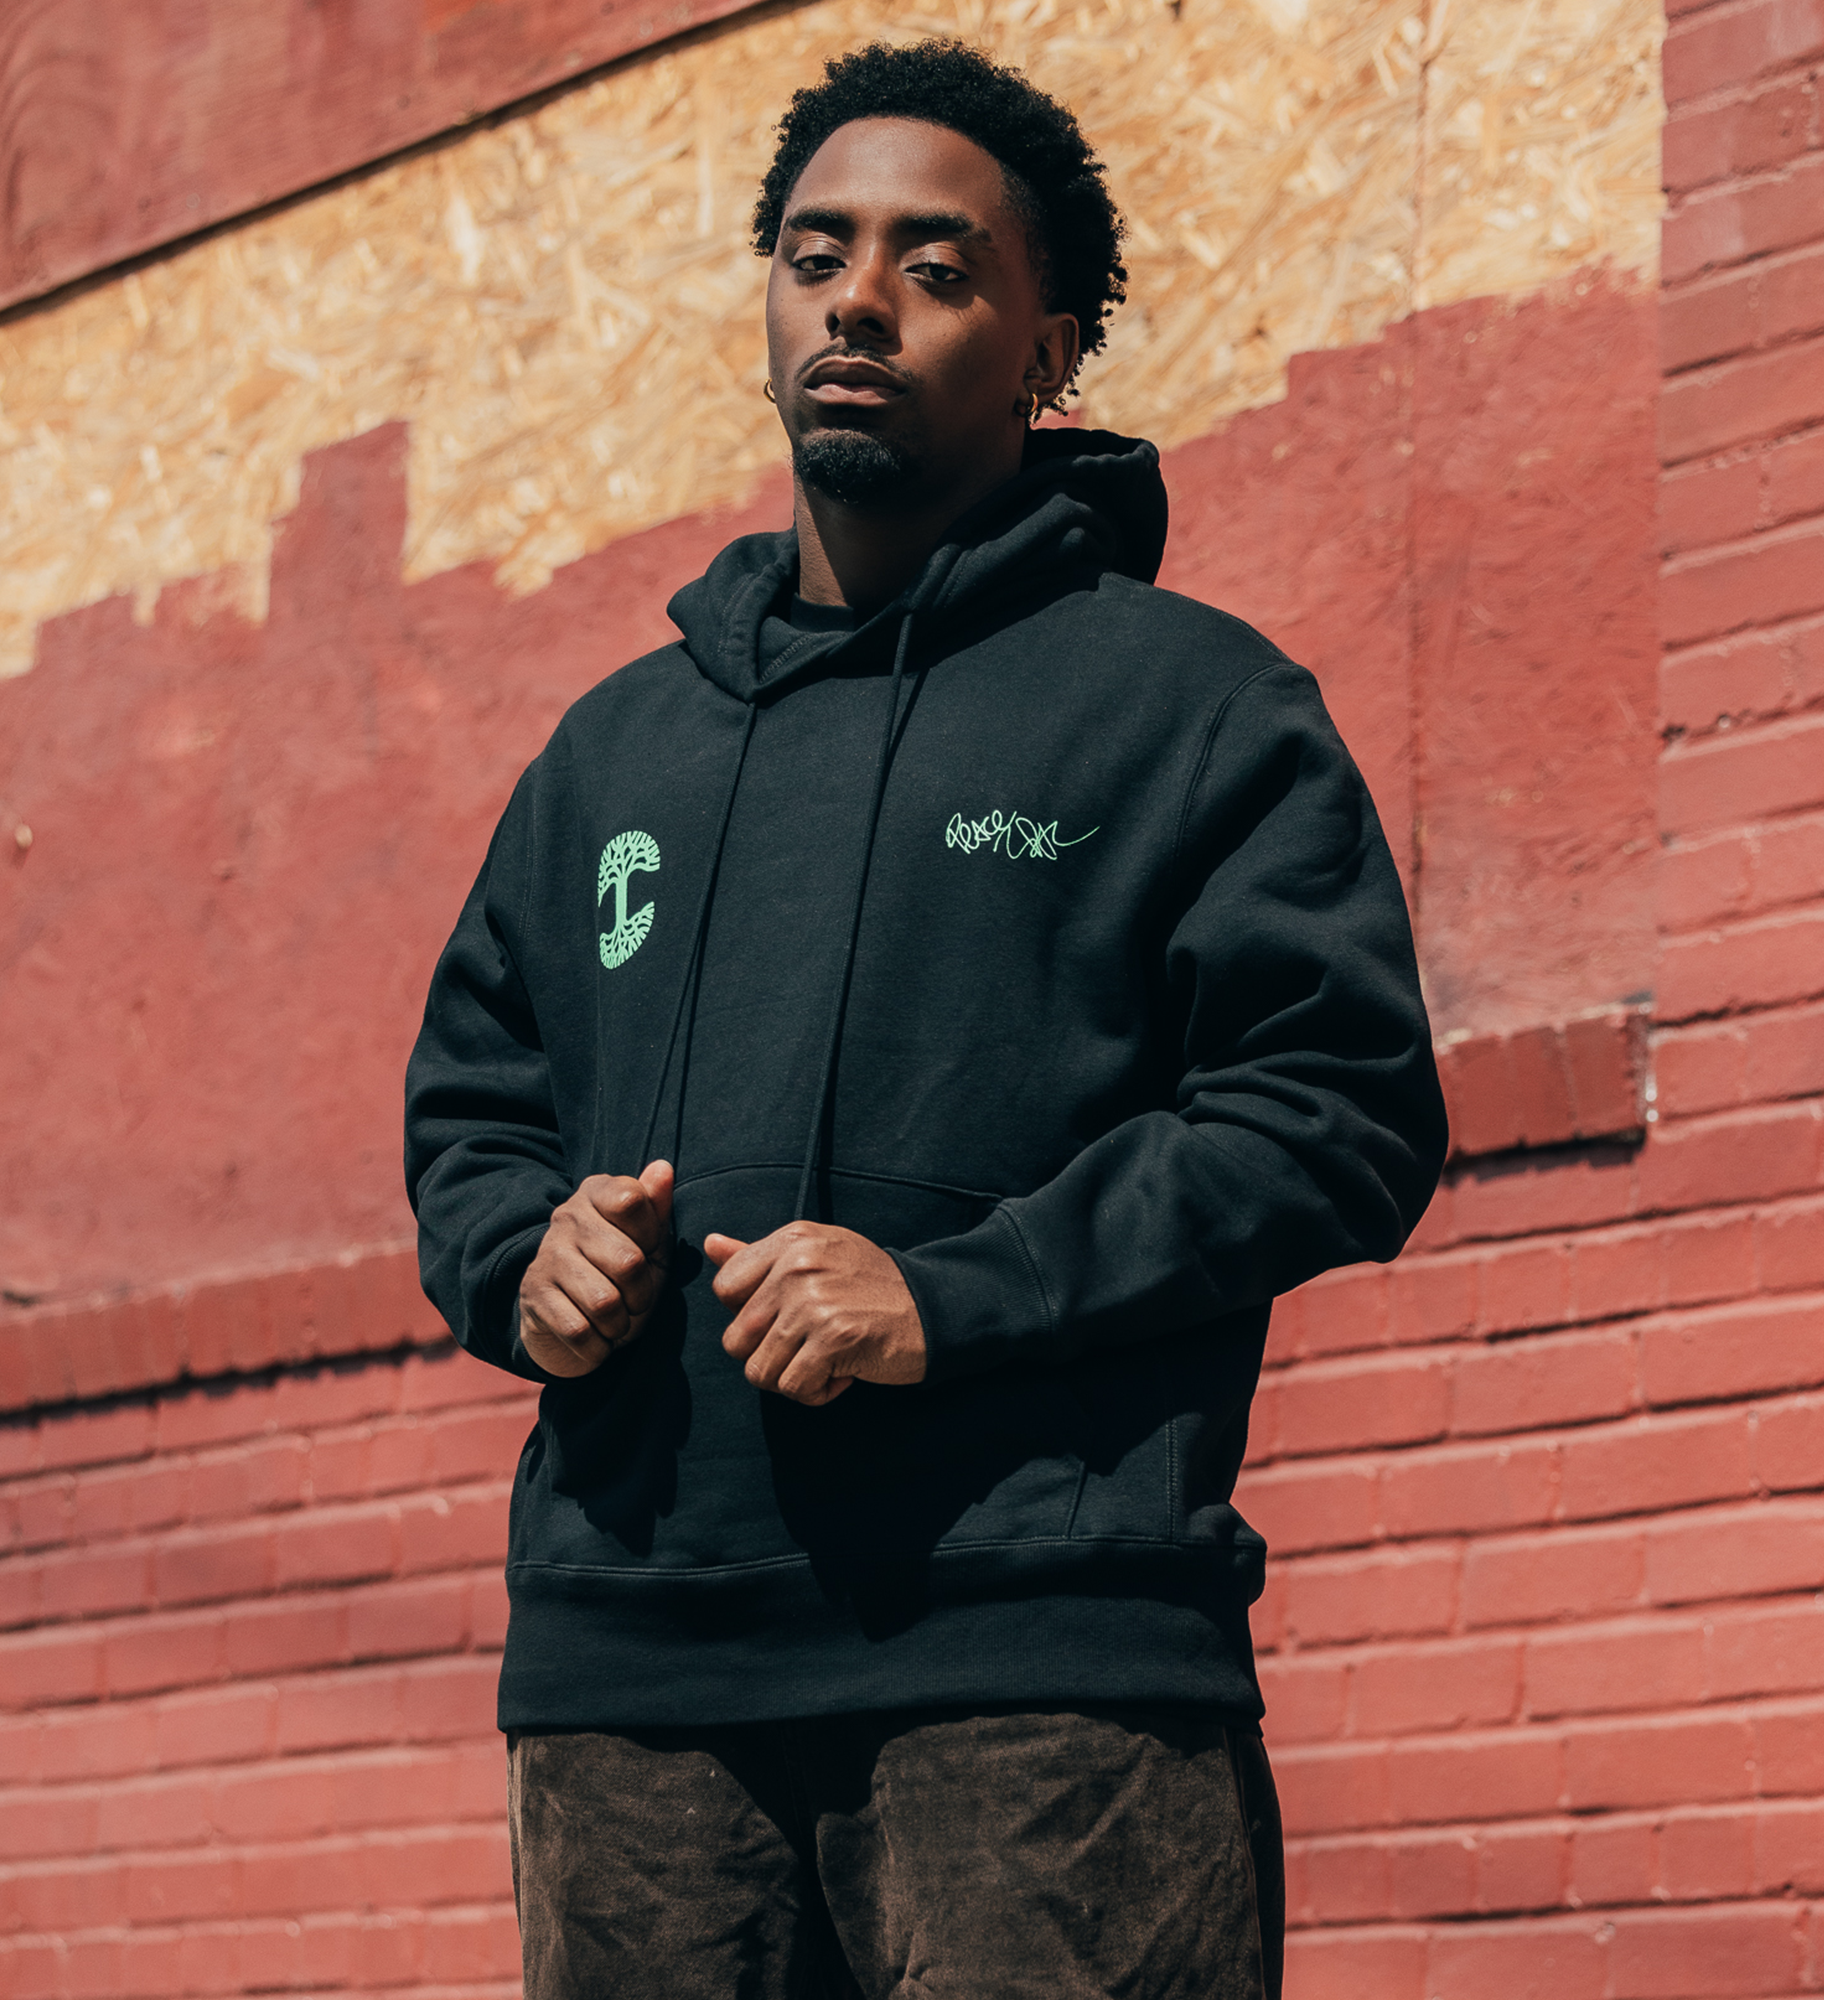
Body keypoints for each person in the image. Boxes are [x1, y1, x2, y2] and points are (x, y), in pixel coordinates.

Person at [405, 37, 1446, 2000]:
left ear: (1052, 348)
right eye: (814, 254)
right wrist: (515, 1260)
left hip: (1039, 1683)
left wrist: (947, 1295)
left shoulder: (1192, 710)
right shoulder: (610, 750)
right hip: (628, 1690)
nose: (857, 301)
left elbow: (1338, 1114)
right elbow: (478, 1105)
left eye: (937, 265)